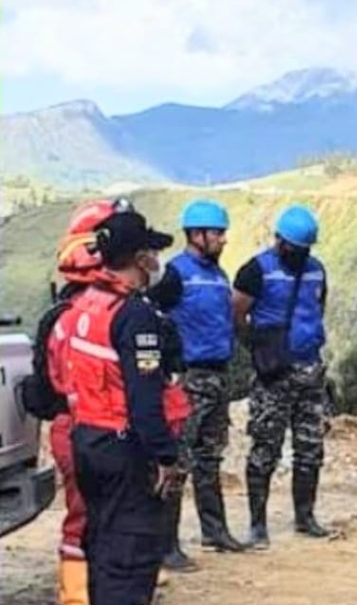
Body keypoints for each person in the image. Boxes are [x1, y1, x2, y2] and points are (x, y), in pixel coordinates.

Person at [59, 208, 187, 604]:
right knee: (131, 558)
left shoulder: (85, 306)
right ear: (138, 258)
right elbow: (144, 397)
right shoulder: (135, 316)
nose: (156, 259)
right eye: (151, 251)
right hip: (122, 449)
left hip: (87, 441)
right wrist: (166, 456)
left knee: (99, 543)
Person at [149, 200, 247, 556]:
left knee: (210, 457)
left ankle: (214, 531)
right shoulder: (174, 275)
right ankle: (167, 544)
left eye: (223, 233)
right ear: (196, 234)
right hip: (188, 379)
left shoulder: (220, 276)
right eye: (217, 233)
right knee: (178, 461)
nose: (223, 240)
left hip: (217, 377)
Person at [232, 205, 331, 548]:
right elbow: (237, 314)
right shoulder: (255, 270)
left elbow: (318, 310)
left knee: (310, 447)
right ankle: (257, 525)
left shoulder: (317, 271)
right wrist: (259, 351)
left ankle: (305, 516)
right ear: (280, 241)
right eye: (294, 248)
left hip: (310, 369)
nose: (299, 254)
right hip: (273, 373)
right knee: (265, 447)